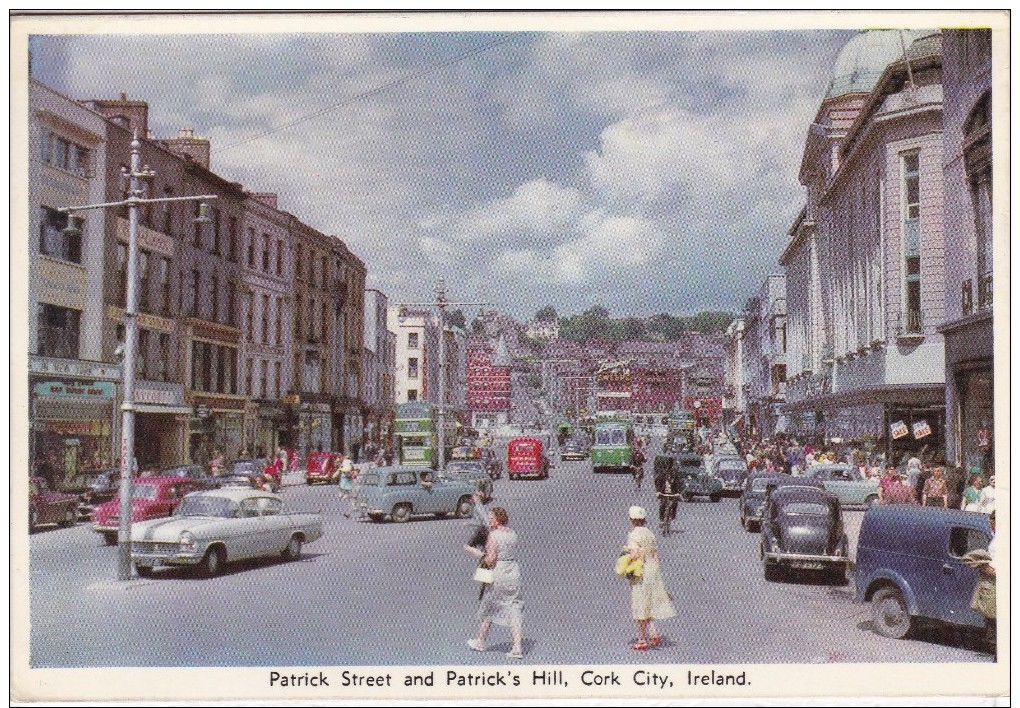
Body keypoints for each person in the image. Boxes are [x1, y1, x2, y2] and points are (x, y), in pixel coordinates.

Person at [466, 506, 524, 659]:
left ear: (498, 520)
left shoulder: (494, 535)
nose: (490, 521)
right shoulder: (512, 533)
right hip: (513, 570)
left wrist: (477, 553)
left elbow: (490, 559)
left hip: (498, 572)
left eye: (492, 518)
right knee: (514, 605)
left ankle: (480, 641)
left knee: (490, 603)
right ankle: (517, 646)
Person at [623, 506, 676, 650]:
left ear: (631, 520)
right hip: (653, 570)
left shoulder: (633, 535)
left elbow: (634, 554)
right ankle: (654, 633)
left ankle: (641, 639)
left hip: (642, 571)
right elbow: (655, 555)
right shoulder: (650, 533)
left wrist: (625, 559)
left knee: (640, 603)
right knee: (649, 602)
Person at [463, 489, 490, 556]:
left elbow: (482, 520)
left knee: (468, 546)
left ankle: (483, 556)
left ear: (478, 497)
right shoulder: (480, 506)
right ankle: (485, 557)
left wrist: (468, 523)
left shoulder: (478, 507)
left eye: (474, 495)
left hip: (482, 530)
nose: (472, 497)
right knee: (486, 547)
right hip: (485, 530)